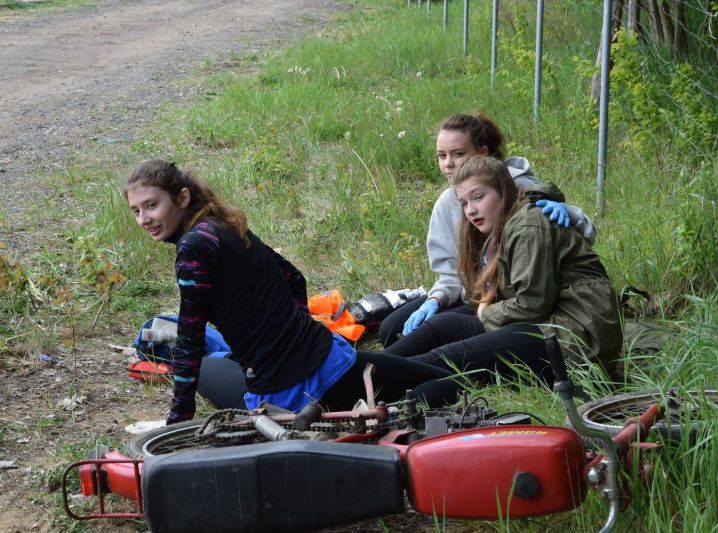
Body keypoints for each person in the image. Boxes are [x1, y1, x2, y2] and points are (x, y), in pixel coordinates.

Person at [124, 160, 459, 424]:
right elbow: (294, 277)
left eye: (152, 205)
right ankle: (389, 412)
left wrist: (177, 422)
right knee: (449, 383)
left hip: (284, 394)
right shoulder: (223, 223)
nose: (144, 219)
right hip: (331, 361)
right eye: (136, 211)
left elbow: (189, 339)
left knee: (209, 366)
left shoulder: (193, 246)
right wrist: (295, 334)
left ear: (182, 198)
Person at [391, 155, 622, 385]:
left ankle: (377, 377)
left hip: (575, 337)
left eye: (478, 197)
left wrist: (485, 313)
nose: (470, 210)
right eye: (464, 203)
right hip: (550, 322)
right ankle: (374, 367)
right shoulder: (506, 221)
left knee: (446, 359)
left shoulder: (527, 226)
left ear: (502, 190)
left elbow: (531, 304)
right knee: (441, 327)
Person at [378, 113, 596, 349]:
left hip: (514, 299)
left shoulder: (517, 188)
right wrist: (436, 299)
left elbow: (574, 243)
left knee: (439, 331)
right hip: (478, 294)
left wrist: (569, 213)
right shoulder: (447, 203)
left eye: (458, 154)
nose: (448, 163)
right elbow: (452, 274)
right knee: (392, 329)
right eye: (442, 156)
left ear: (482, 153)